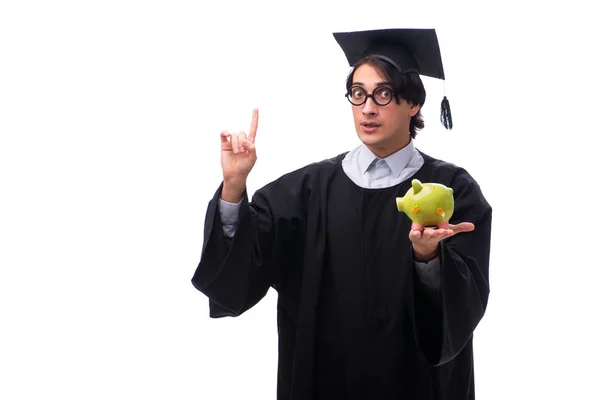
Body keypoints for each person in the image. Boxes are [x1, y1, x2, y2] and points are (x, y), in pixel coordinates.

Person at [192, 28, 493, 400]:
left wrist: (429, 258)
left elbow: (462, 312)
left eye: (383, 93)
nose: (368, 107)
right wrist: (234, 185)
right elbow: (237, 276)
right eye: (358, 93)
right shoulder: (304, 193)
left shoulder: (452, 190)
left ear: (413, 103)